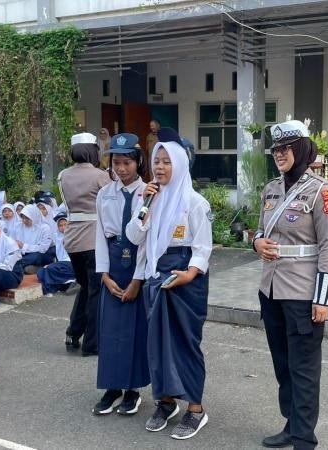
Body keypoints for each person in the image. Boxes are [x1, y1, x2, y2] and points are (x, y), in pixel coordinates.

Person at [252, 119, 328, 450]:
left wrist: (323, 299)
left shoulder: (320, 191)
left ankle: (304, 438)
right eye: (275, 149)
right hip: (271, 290)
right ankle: (291, 424)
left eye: (286, 148)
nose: (279, 154)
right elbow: (260, 231)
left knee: (303, 369)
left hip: (303, 294)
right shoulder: (271, 189)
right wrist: (257, 243)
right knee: (283, 365)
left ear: (300, 149)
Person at [126, 139, 212, 440]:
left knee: (184, 344)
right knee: (158, 344)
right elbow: (134, 237)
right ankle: (165, 401)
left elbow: (203, 248)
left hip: (184, 278)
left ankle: (196, 409)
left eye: (166, 161)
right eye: (156, 161)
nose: (160, 167)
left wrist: (189, 274)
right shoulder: (148, 198)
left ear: (179, 164)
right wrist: (144, 209)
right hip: (156, 276)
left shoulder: (195, 203)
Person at [91, 133, 150, 416]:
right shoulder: (105, 194)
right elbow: (100, 236)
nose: (122, 168)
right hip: (113, 262)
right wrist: (103, 273)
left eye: (127, 162)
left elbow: (147, 241)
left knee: (134, 330)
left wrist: (138, 280)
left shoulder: (148, 193)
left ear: (138, 162)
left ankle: (132, 390)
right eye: (117, 162)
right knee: (111, 329)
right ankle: (112, 388)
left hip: (137, 261)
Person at [58, 132, 111, 356]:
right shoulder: (101, 176)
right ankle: (92, 344)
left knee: (85, 287)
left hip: (72, 241)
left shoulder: (62, 175)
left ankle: (73, 332)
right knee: (96, 292)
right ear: (93, 150)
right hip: (93, 239)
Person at [36, 212, 75, 297]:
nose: (63, 227)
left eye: (65, 224)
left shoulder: (74, 236)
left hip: (72, 264)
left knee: (49, 269)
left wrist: (52, 265)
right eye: (60, 226)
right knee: (41, 271)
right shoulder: (57, 237)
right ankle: (64, 284)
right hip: (61, 265)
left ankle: (48, 290)